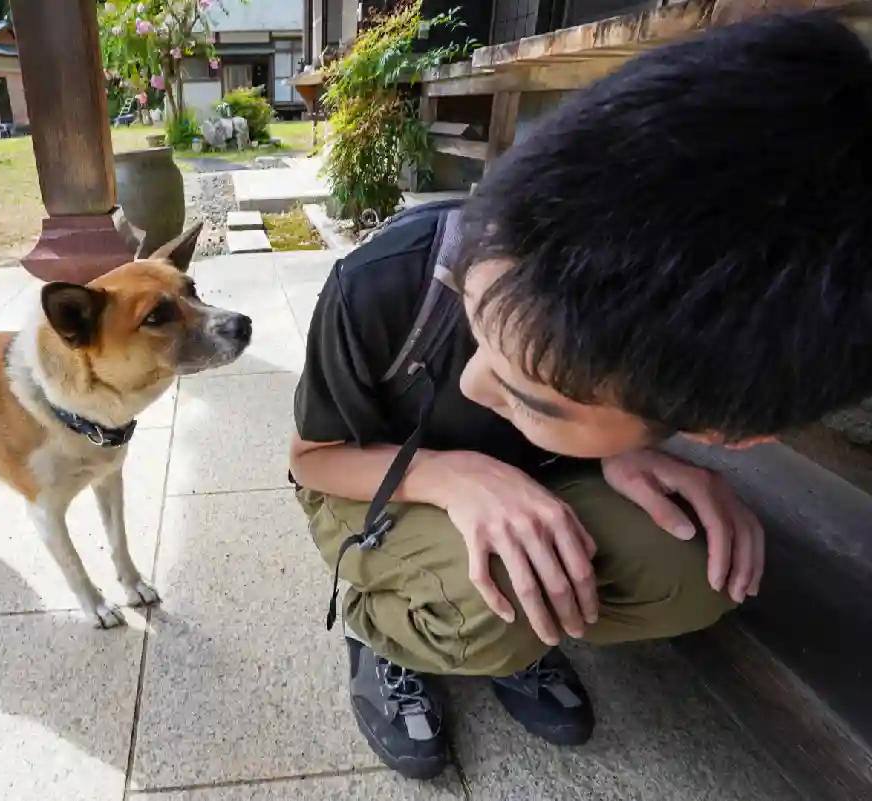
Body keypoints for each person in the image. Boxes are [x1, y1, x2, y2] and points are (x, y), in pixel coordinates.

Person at [289, 11, 872, 781]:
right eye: (477, 315)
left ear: (722, 430)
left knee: (699, 566)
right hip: (372, 477)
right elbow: (312, 459)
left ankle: (519, 629)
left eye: (534, 397)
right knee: (490, 601)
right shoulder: (388, 282)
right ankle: (385, 631)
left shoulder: (684, 348)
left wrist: (624, 450)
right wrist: (454, 473)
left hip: (551, 472)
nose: (470, 383)